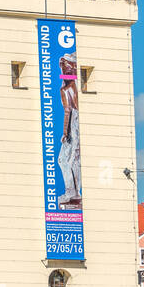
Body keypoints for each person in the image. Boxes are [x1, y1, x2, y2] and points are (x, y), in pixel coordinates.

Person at [57, 53, 82, 207]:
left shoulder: (66, 89)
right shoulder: (76, 85)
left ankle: (71, 192)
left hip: (74, 124)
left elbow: (68, 111)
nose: (64, 69)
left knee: (64, 159)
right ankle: (75, 193)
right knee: (74, 160)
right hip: (79, 123)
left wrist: (65, 133)